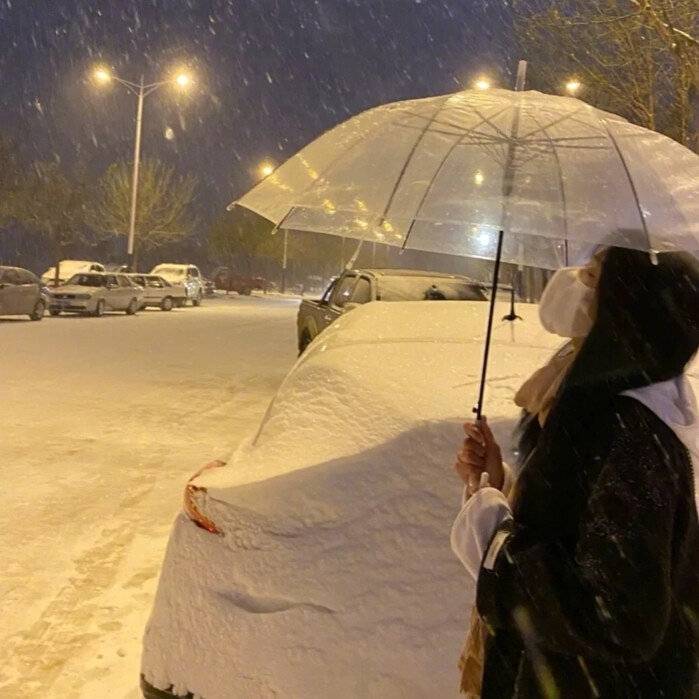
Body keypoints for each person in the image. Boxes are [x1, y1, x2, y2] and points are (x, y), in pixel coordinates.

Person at [451, 246, 699, 697]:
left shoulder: (633, 433)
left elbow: (620, 617)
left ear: (629, 304)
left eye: (594, 277)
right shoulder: (602, 402)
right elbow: (574, 523)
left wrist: (498, 551)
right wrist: (500, 483)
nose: (578, 287)